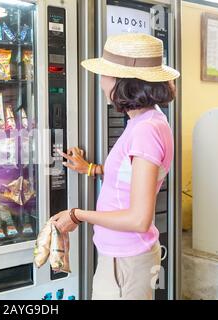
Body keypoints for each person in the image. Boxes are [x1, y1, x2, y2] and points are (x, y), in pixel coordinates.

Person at [51, 33, 180, 300]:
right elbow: (132, 176)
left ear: (124, 83)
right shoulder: (149, 120)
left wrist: (77, 215)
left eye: (105, 74)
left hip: (126, 262)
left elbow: (138, 219)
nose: (100, 82)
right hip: (124, 258)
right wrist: (90, 169)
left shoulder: (145, 129)